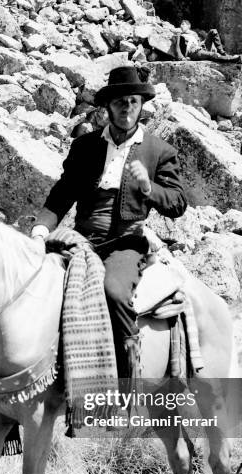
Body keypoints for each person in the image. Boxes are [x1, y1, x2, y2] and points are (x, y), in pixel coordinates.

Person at [30, 66, 188, 383]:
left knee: (114, 291)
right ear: (108, 107)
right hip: (81, 240)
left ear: (141, 105)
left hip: (127, 244)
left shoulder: (159, 151)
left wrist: (148, 188)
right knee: (38, 284)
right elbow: (61, 196)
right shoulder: (85, 147)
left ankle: (129, 375)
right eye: (119, 102)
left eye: (132, 101)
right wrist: (39, 232)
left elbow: (178, 203)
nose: (126, 108)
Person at [175, 20, 242, 64]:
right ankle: (233, 59)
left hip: (201, 47)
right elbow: (177, 47)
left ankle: (222, 52)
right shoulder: (180, 35)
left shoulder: (193, 34)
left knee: (213, 31)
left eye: (183, 24)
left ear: (188, 26)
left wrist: (202, 43)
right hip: (193, 51)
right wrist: (182, 58)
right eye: (181, 24)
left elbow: (199, 43)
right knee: (213, 55)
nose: (181, 26)